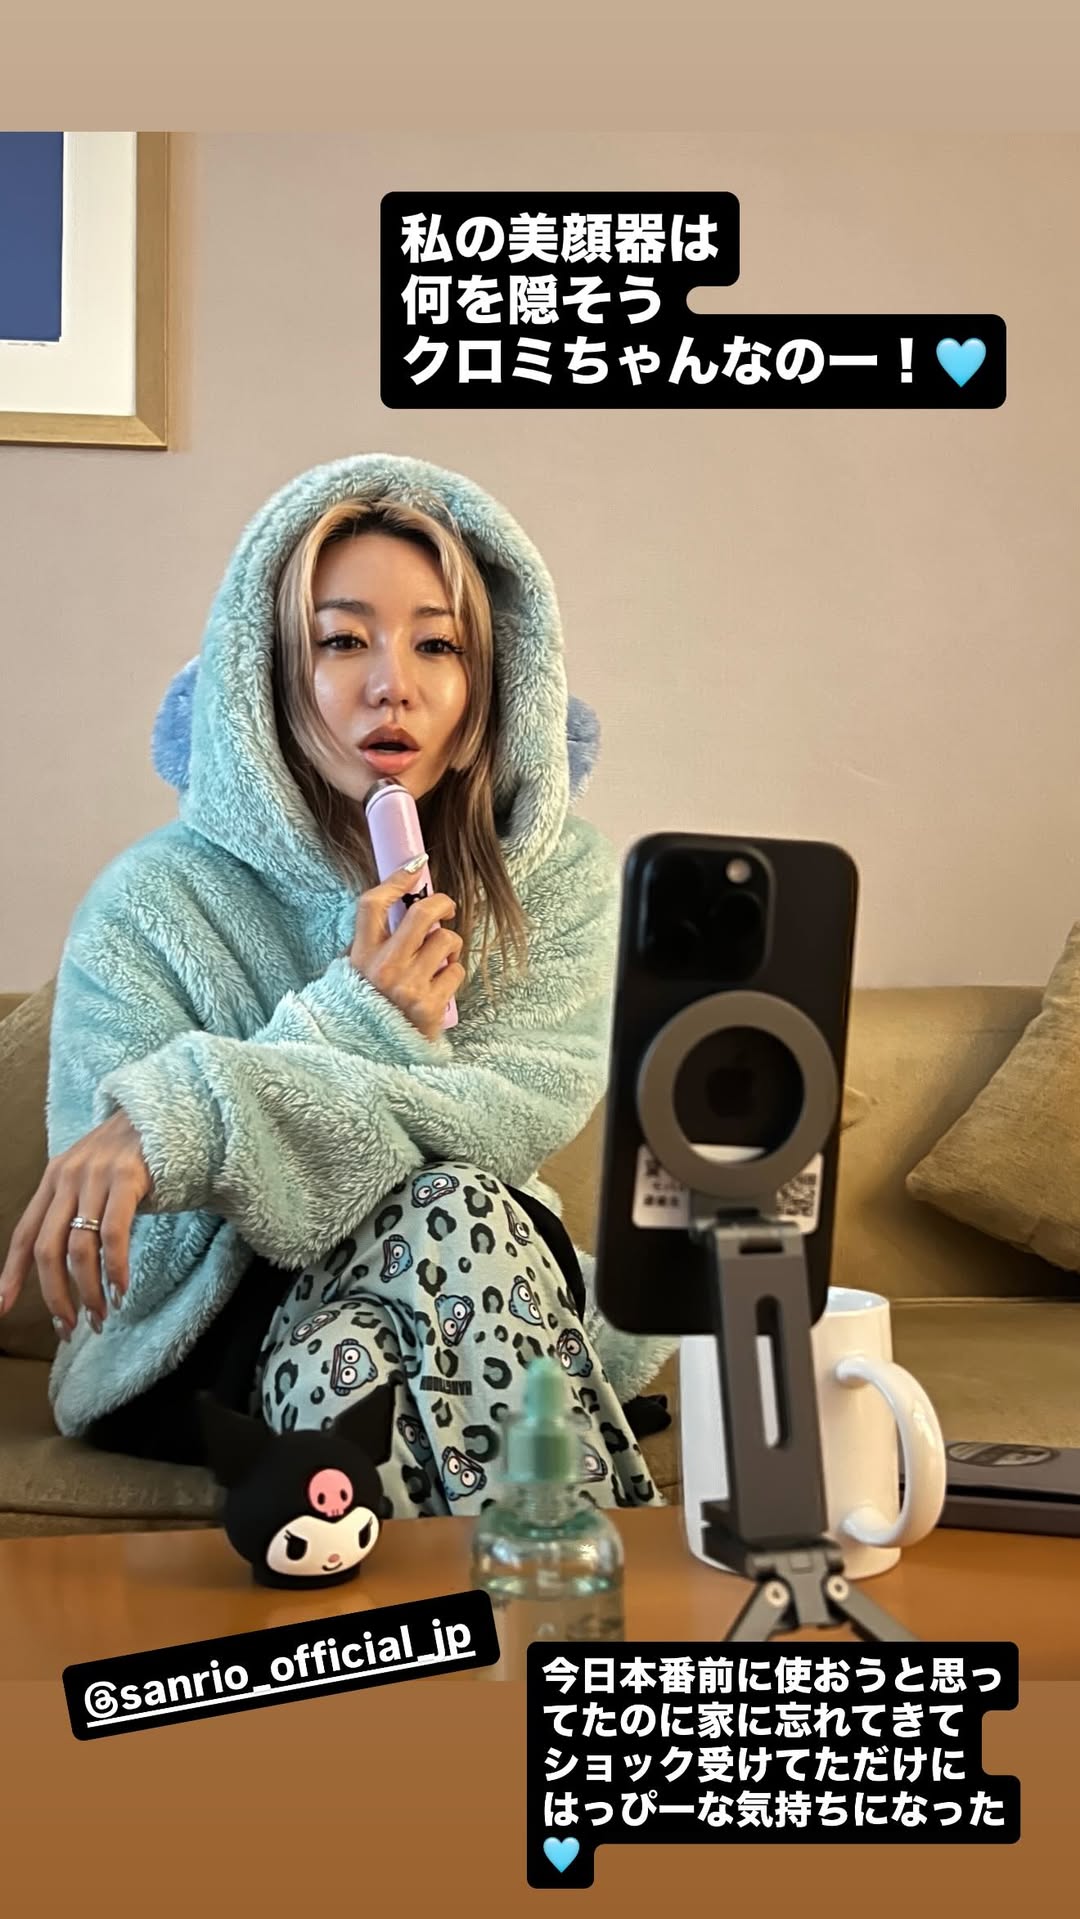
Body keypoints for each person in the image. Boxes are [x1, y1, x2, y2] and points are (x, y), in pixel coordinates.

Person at [0, 453, 672, 1519]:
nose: (392, 683)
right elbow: (133, 1243)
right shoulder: (151, 900)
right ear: (266, 678)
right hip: (209, 1333)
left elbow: (503, 1121)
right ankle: (572, 1594)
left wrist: (189, 1114)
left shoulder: (558, 880)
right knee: (445, 1213)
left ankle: (421, 1621)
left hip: (467, 1274)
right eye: (342, 640)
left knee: (370, 1325)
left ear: (487, 691)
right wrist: (361, 1014)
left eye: (438, 644)